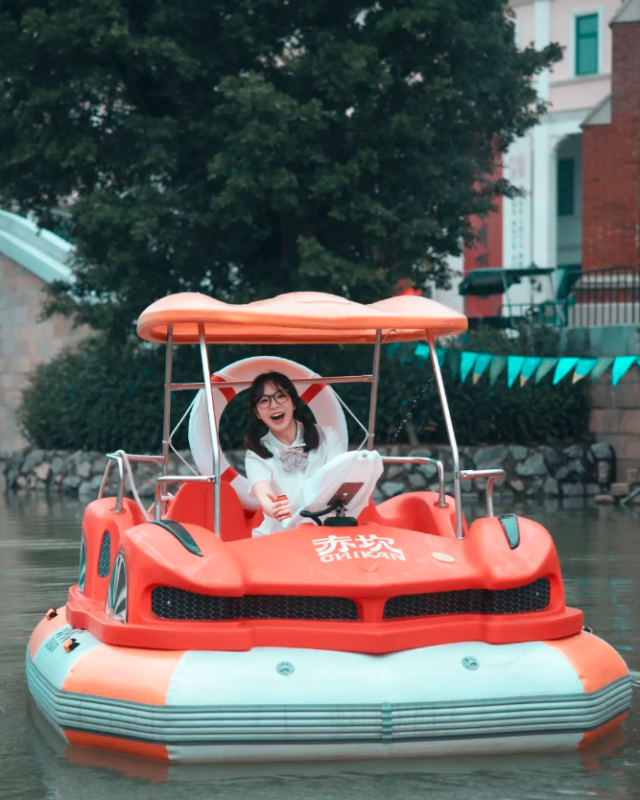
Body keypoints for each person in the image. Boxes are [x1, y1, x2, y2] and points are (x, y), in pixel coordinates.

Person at [244, 371, 344, 536]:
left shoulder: (328, 437)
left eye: (280, 396)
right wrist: (272, 507)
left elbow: (340, 481)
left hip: (325, 535)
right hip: (279, 536)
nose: (274, 405)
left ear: (294, 402)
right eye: (264, 401)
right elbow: (262, 490)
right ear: (257, 413)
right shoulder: (256, 453)